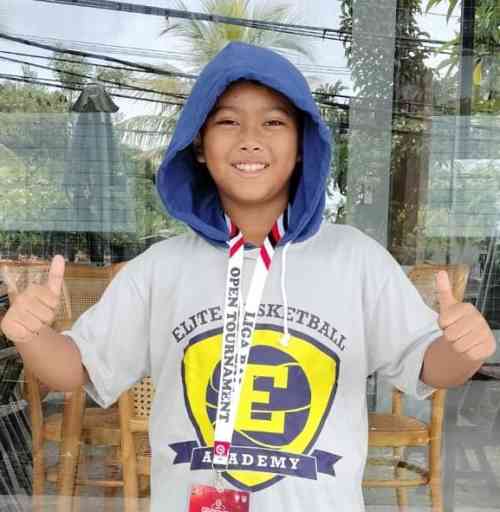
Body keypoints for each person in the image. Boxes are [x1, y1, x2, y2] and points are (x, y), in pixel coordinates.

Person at [1, 42, 496, 511]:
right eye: (228, 121)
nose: (250, 138)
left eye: (274, 121)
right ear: (199, 144)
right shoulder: (160, 267)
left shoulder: (356, 259)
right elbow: (76, 370)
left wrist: (462, 350)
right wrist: (33, 336)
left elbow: (429, 368)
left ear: (302, 144)